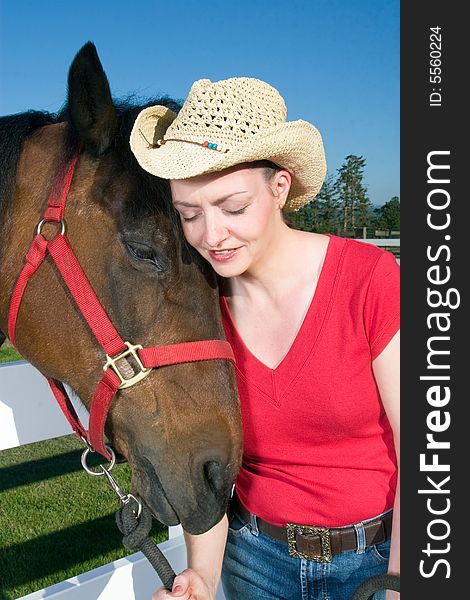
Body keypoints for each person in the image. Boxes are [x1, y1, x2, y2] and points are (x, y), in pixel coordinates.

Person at [130, 77, 400, 600]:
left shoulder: (370, 278)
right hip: (254, 562)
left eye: (233, 208)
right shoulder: (197, 305)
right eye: (189, 214)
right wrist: (203, 577)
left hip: (375, 561)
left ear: (279, 188)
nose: (211, 236)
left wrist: (399, 583)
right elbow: (205, 459)